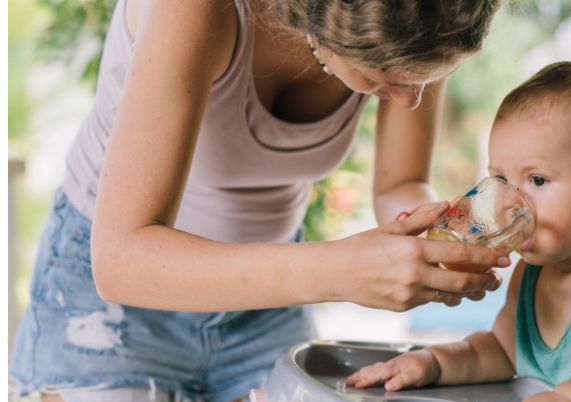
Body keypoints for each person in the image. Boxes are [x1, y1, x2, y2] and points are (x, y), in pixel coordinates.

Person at [10, 1, 512, 401]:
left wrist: (431, 235)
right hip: (111, 308)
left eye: (423, 78)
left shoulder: (421, 15)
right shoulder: (197, 10)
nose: (410, 101)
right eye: (385, 77)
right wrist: (344, 271)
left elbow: (399, 182)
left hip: (266, 301)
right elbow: (119, 260)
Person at [346, 62, 571, 401]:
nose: (507, 201)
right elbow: (500, 352)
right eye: (500, 179)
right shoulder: (530, 273)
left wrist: (569, 397)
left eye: (537, 180)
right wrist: (434, 362)